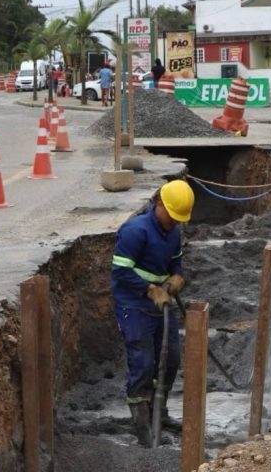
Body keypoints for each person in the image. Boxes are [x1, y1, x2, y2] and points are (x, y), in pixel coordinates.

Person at [111, 180, 195, 447]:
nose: (175, 221)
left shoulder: (173, 231)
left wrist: (177, 277)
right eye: (172, 215)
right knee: (144, 363)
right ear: (159, 204)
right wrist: (150, 290)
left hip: (161, 305)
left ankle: (159, 411)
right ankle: (142, 424)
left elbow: (175, 260)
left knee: (170, 361)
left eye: (179, 218)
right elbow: (120, 271)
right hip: (133, 305)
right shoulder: (136, 231)